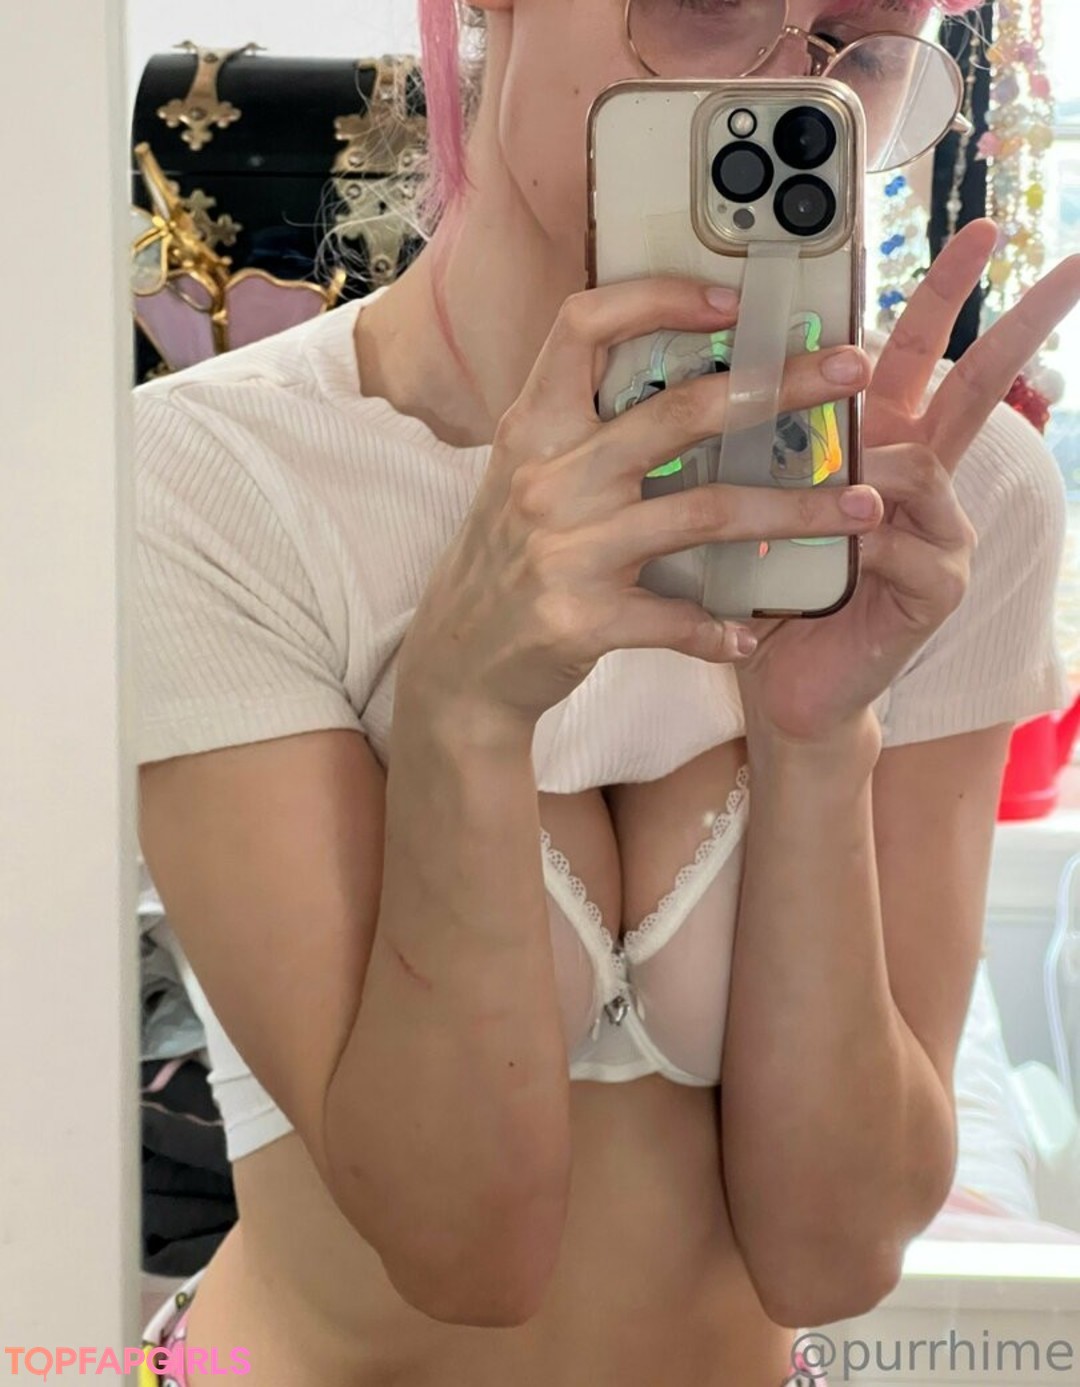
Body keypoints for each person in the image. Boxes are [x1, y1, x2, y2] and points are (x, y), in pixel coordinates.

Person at [135, 2, 1080, 1384]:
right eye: (709, 3)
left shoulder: (944, 494)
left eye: (861, 43)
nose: (787, 88)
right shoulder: (210, 480)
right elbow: (462, 1252)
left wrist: (817, 742)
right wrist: (462, 709)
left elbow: (834, 1258)